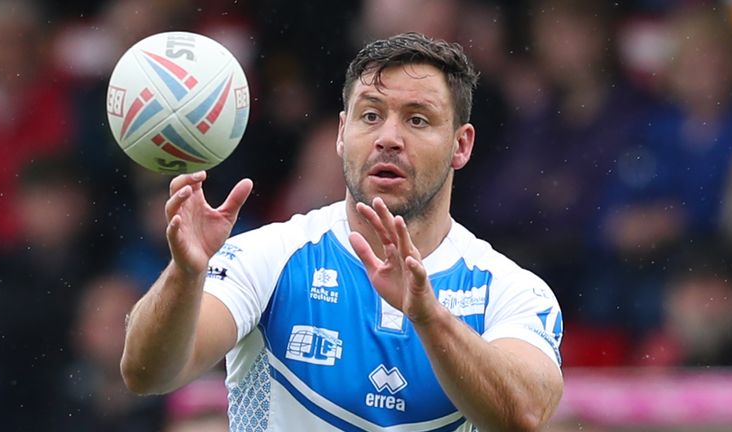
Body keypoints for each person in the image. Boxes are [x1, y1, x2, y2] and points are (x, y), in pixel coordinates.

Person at [121, 32, 564, 431]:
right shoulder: (272, 255)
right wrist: (185, 273)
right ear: (341, 132)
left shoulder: (509, 288)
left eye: (417, 120)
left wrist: (429, 317)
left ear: (461, 145)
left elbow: (522, 415)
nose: (388, 137)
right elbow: (147, 373)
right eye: (370, 116)